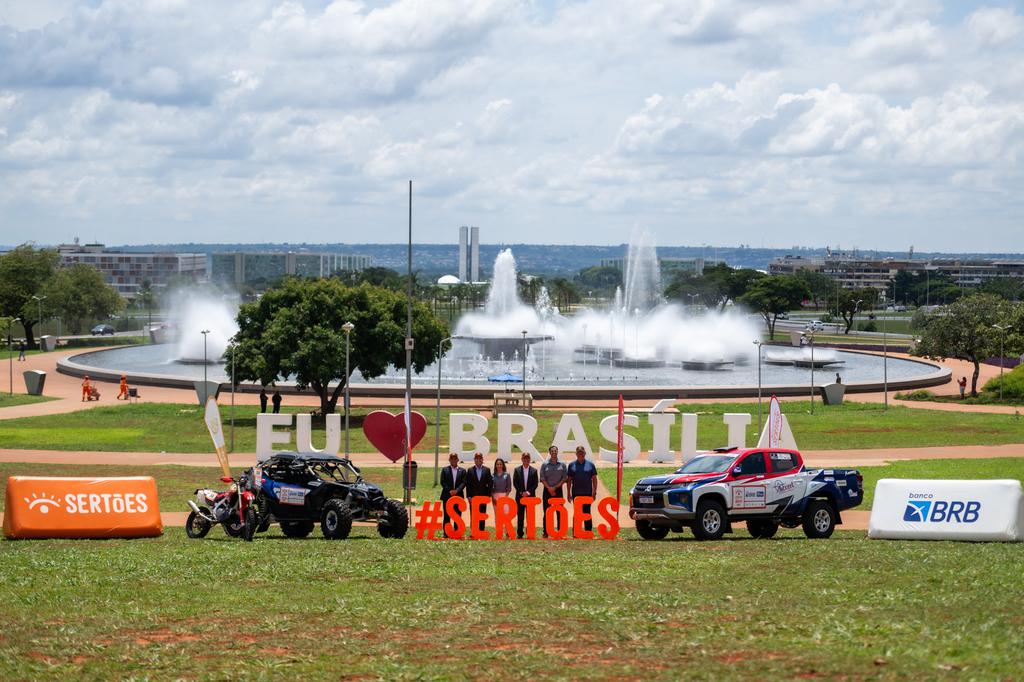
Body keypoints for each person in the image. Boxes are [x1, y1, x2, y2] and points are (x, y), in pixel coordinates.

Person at [566, 446, 599, 535]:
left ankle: (588, 531)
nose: (580, 454)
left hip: (587, 493)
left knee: (587, 512)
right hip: (576, 493)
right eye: (579, 452)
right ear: (576, 454)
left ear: (585, 453)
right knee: (577, 512)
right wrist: (568, 492)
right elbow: (569, 480)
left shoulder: (590, 464)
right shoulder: (571, 465)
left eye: (582, 452)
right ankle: (576, 530)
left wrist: (594, 491)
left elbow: (594, 479)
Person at [539, 445, 567, 538]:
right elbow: (542, 478)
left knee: (559, 511)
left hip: (558, 491)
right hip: (547, 490)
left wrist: (555, 488)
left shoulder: (562, 464)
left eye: (555, 451)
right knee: (546, 511)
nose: (554, 452)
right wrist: (549, 488)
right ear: (550, 453)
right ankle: (546, 532)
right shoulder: (544, 464)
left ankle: (560, 531)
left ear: (557, 452)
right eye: (552, 451)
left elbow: (564, 478)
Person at [464, 452, 493, 534]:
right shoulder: (470, 470)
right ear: (474, 460)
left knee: (482, 514)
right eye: (477, 458)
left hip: (483, 497)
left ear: (482, 459)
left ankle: (481, 531)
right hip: (473, 497)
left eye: (480, 458)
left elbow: (490, 483)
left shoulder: (487, 470)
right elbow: (468, 484)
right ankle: (473, 531)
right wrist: (469, 496)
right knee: (473, 514)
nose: (478, 460)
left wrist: (488, 495)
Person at [513, 452, 538, 539]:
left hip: (530, 497)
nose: (526, 460)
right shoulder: (517, 470)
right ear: (522, 459)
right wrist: (521, 492)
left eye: (527, 458)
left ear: (529, 459)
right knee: (520, 516)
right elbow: (515, 483)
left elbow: (535, 484)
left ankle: (530, 533)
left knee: (530, 516)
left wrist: (528, 492)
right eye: (524, 458)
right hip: (520, 497)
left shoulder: (534, 471)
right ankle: (520, 533)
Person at [439, 453, 466, 532]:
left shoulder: (463, 471)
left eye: (455, 459)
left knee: (458, 515)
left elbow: (464, 482)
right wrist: (450, 491)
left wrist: (457, 491)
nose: (453, 460)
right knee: (447, 515)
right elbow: (442, 482)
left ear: (458, 460)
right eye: (452, 459)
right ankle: (446, 532)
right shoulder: (445, 470)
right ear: (449, 460)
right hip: (447, 495)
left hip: (458, 496)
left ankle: (457, 531)